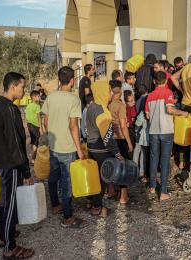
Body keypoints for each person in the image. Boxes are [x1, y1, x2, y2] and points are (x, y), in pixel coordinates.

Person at [0, 72, 35, 259]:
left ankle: (5, 236)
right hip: (11, 164)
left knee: (4, 200)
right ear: (13, 87)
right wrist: (26, 170)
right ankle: (10, 248)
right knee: (10, 204)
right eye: (22, 86)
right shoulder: (9, 109)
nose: (24, 90)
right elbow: (16, 143)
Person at [42, 66, 87, 228]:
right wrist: (80, 150)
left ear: (59, 80)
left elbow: (45, 123)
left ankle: (55, 205)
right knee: (67, 183)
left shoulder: (50, 98)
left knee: (53, 177)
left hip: (54, 147)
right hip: (68, 148)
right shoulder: (74, 100)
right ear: (72, 80)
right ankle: (68, 217)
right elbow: (73, 127)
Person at [145, 71, 188, 201]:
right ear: (165, 81)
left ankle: (152, 186)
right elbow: (170, 109)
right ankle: (163, 192)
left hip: (153, 131)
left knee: (153, 159)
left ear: (154, 82)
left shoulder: (150, 96)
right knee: (164, 161)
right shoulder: (168, 93)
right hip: (166, 131)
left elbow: (147, 116)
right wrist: (182, 113)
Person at [86, 80, 124, 216]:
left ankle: (90, 201)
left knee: (92, 176)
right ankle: (97, 208)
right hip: (101, 150)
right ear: (102, 92)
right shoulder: (102, 111)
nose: (110, 94)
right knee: (101, 180)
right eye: (108, 91)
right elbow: (107, 137)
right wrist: (117, 153)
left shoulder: (91, 107)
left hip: (91, 147)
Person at [108, 80, 132, 204]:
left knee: (112, 165)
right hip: (120, 138)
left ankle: (111, 190)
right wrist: (129, 142)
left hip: (110, 138)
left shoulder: (108, 104)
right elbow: (123, 125)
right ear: (121, 91)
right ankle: (123, 196)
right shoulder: (120, 105)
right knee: (123, 167)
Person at [133, 84, 150, 183]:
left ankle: (135, 171)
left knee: (137, 150)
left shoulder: (137, 101)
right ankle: (141, 172)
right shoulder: (148, 98)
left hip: (139, 128)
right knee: (143, 152)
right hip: (144, 129)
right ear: (147, 90)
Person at [25, 90, 43, 163]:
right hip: (35, 125)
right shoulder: (37, 106)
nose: (39, 97)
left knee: (33, 140)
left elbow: (26, 115)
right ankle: (33, 158)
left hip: (29, 124)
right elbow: (39, 117)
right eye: (38, 96)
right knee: (36, 141)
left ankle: (32, 154)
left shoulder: (29, 105)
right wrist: (40, 127)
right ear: (33, 97)